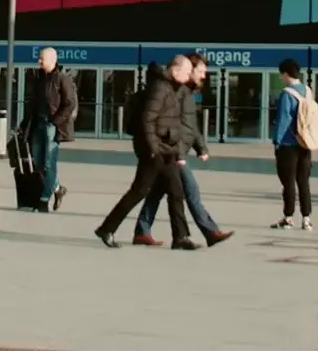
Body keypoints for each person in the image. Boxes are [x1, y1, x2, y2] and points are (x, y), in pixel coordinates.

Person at [94, 56, 197, 250]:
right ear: (175, 71)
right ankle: (107, 228)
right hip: (156, 152)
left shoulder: (172, 88)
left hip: (167, 150)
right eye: (187, 71)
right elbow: (147, 119)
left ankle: (180, 237)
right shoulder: (160, 88)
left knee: (176, 191)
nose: (189, 75)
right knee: (139, 191)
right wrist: (153, 149)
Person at [133, 53, 233, 248]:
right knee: (190, 191)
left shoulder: (187, 92)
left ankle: (142, 231)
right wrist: (178, 154)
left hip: (176, 151)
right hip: (172, 151)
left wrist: (200, 147)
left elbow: (190, 124)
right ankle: (209, 231)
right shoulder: (178, 91)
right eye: (200, 71)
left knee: (157, 191)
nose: (204, 76)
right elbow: (171, 123)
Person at [19, 48, 76, 213]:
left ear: (52, 60)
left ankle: (44, 199)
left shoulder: (62, 79)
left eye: (42, 59)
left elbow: (70, 103)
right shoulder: (39, 79)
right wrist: (24, 125)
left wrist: (56, 121)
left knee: (50, 163)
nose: (39, 61)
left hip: (52, 126)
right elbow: (33, 105)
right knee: (39, 163)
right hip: (38, 124)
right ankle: (58, 189)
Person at [271, 58, 313, 231]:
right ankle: (307, 218)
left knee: (288, 182)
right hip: (305, 143)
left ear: (286, 74)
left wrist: (277, 141)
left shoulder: (287, 94)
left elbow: (283, 119)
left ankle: (288, 217)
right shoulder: (308, 91)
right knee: (303, 182)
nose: (281, 78)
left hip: (288, 144)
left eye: (282, 75)